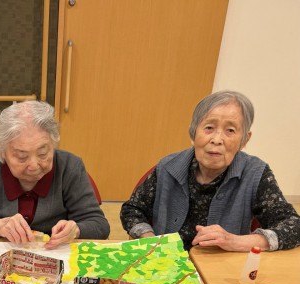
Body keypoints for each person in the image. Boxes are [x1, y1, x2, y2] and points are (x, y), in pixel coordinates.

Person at [120, 90, 300, 252]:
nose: (217, 139)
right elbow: (132, 210)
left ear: (244, 140)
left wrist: (235, 241)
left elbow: (294, 226)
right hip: (165, 266)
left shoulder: (255, 174)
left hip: (221, 270)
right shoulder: (168, 167)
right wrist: (150, 240)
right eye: (209, 128)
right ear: (193, 133)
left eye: (230, 130)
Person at [0, 101, 110, 249]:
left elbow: (99, 225)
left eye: (43, 153)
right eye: (22, 157)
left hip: (55, 257)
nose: (34, 166)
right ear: (2, 152)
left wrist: (76, 229)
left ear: (53, 144)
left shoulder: (70, 167)